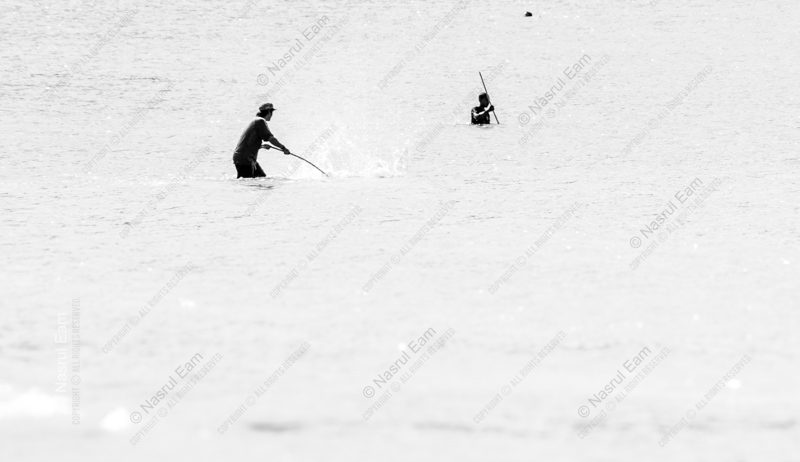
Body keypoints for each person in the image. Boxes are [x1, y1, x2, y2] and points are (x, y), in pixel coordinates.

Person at [232, 103, 291, 178]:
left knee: (261, 178)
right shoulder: (260, 121)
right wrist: (283, 148)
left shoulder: (255, 121)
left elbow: (248, 142)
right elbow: (271, 139)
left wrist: (261, 146)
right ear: (269, 112)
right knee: (249, 183)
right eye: (272, 113)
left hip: (244, 157)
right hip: (245, 159)